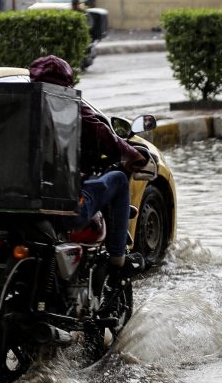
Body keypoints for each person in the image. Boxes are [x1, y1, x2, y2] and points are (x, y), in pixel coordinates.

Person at [28, 55, 147, 279]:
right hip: (58, 205)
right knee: (120, 180)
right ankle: (117, 261)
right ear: (67, 84)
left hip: (6, 206)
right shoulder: (65, 103)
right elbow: (102, 135)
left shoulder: (15, 105)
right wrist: (131, 154)